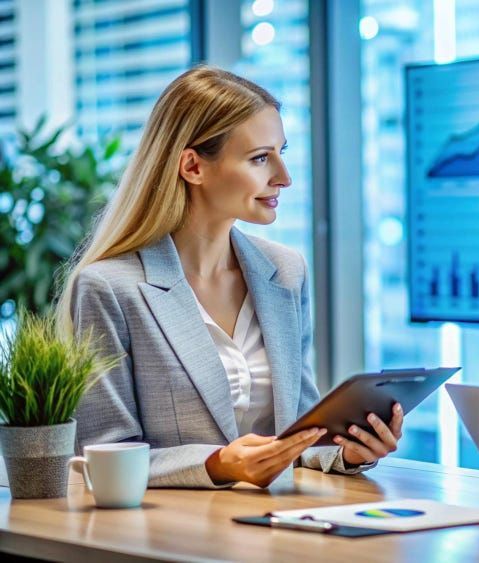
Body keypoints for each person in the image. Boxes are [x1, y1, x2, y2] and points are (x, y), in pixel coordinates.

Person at [58, 66, 402, 489]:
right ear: (192, 166)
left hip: (277, 527)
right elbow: (102, 452)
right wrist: (218, 464)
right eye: (260, 158)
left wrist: (344, 451)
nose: (284, 176)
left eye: (281, 152)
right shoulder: (109, 287)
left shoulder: (286, 273)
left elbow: (300, 432)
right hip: (168, 535)